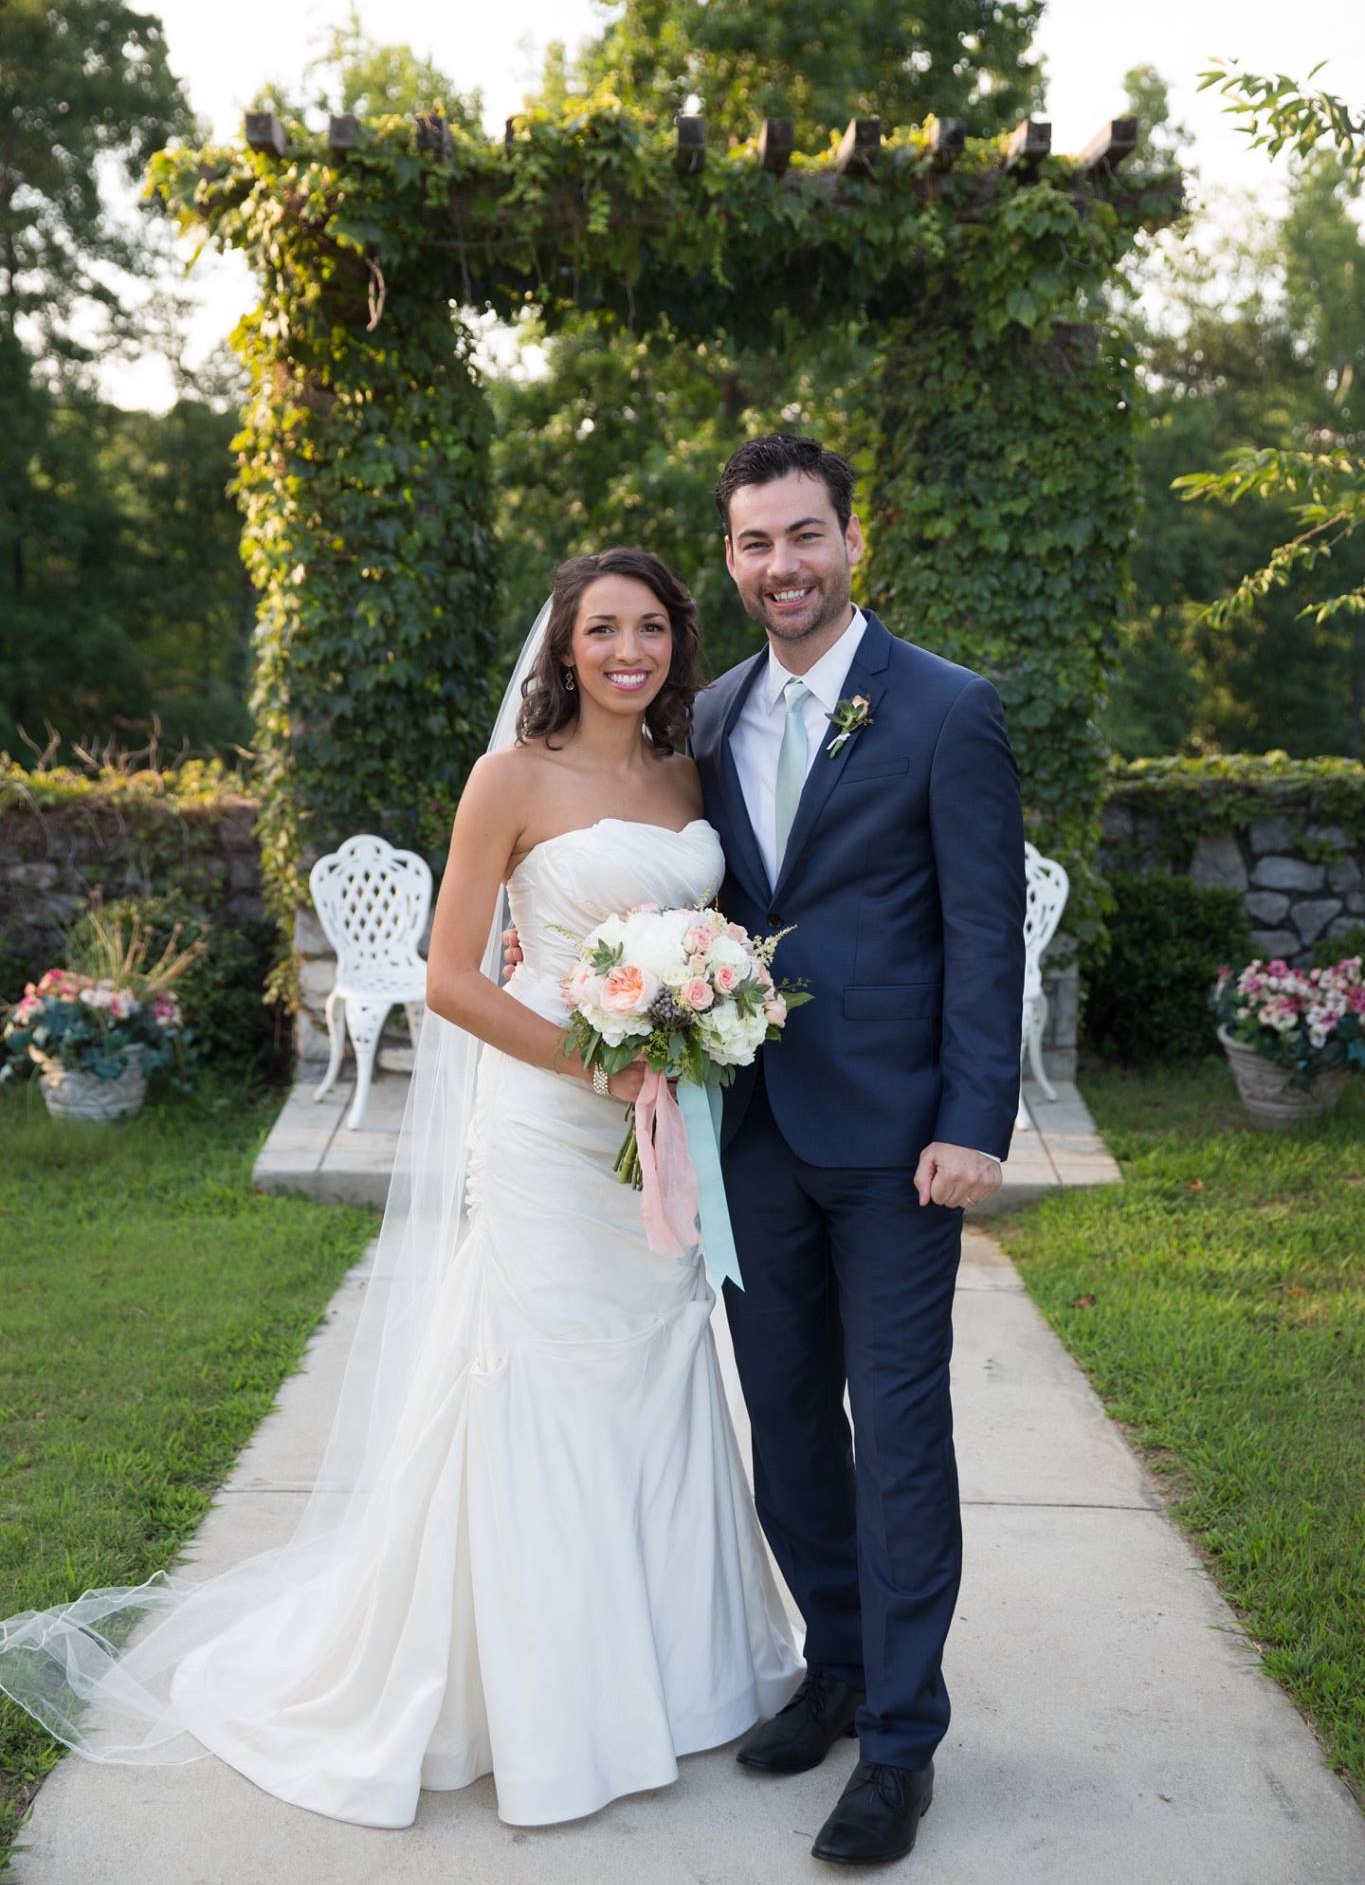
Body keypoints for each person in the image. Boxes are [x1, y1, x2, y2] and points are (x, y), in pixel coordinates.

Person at [0, 547, 800, 1829]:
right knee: (544, 1369)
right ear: (564, 646)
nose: (627, 651)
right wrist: (599, 1064)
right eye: (602, 629)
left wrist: (694, 1028)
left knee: (659, 1362)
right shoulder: (509, 777)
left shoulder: (686, 769)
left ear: (675, 642)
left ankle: (678, 1676)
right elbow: (451, 977)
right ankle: (539, 1705)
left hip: (662, 1113)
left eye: (650, 627)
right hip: (553, 1112)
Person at [693, 435, 1026, 1865]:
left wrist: (970, 1120)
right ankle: (834, 1663)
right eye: (758, 544)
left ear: (851, 539)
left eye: (806, 536)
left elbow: (983, 931)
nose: (784, 566)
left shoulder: (948, 711)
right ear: (732, 559)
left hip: (899, 1146)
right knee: (786, 1422)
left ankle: (900, 1738)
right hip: (749, 1131)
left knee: (896, 1440)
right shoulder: (702, 721)